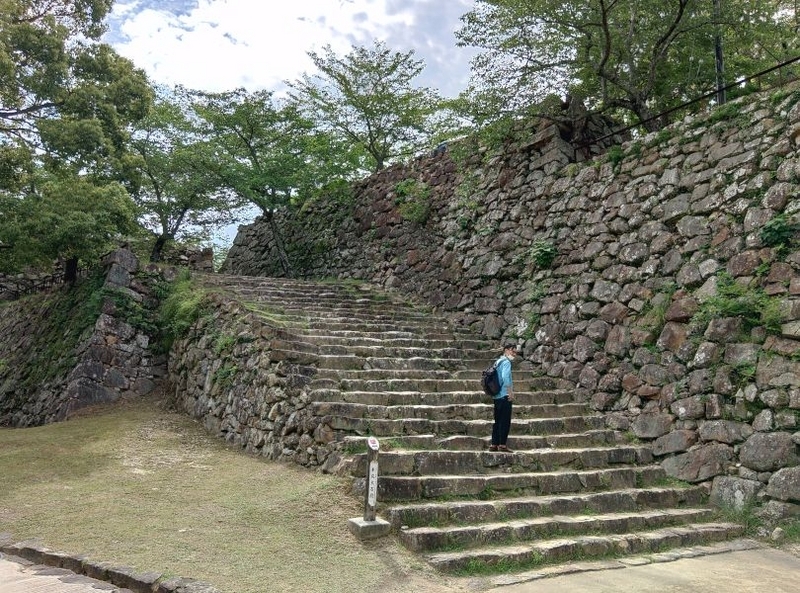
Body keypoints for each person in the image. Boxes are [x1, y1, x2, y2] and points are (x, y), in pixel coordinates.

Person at [489, 343, 517, 452]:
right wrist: (510, 392)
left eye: (515, 352)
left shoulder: (498, 362)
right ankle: (502, 444)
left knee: (497, 420)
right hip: (504, 395)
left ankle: (494, 444)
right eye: (512, 351)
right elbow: (505, 377)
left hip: (496, 395)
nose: (514, 354)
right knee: (505, 421)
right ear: (506, 350)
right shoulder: (506, 362)